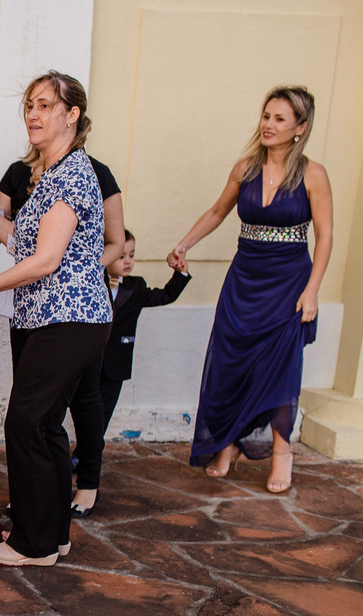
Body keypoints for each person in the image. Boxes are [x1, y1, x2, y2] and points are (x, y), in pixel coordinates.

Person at [0, 71, 111, 566]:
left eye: (44, 106)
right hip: (47, 317)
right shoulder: (48, 173)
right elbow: (21, 239)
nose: (33, 115)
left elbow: (45, 261)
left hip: (70, 316)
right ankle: (52, 532)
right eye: (29, 107)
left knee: (26, 423)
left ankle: (33, 545)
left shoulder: (73, 173)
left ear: (71, 115)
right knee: (46, 428)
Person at [169, 86, 331, 493]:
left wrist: (311, 291)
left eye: (279, 119)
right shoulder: (245, 169)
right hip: (244, 281)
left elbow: (326, 238)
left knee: (280, 369)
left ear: (300, 128)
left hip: (289, 283)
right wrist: (184, 243)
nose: (268, 125)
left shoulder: (313, 174)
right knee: (231, 363)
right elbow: (218, 211)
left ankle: (281, 452)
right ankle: (228, 442)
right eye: (266, 116)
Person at [67, 229, 190, 516]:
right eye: (121, 255)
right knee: (82, 411)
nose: (127, 261)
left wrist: (180, 275)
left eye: (131, 255)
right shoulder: (90, 281)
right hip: (88, 360)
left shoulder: (136, 287)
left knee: (101, 419)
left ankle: (84, 459)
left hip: (116, 366)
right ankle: (80, 454)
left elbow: (164, 296)